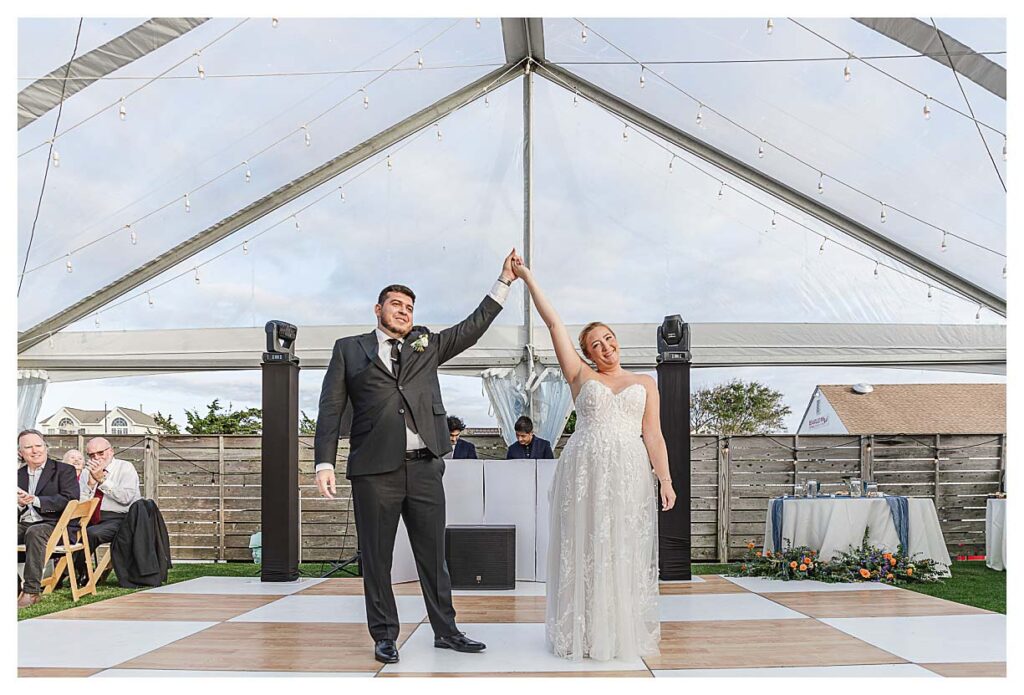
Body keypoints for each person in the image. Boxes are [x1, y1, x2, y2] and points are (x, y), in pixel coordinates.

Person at [314, 249, 522, 665]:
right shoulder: (349, 350)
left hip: (425, 466)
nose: (404, 312)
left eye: (409, 307)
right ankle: (385, 635)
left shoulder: (425, 345)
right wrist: (324, 462)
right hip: (374, 472)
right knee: (377, 559)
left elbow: (471, 329)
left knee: (433, 557)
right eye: (396, 304)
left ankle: (446, 631)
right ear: (378, 309)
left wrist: (504, 281)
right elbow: (331, 408)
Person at [511, 258, 676, 661]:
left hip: (628, 471)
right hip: (585, 469)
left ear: (617, 340)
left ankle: (616, 632)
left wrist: (666, 479)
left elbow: (652, 434)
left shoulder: (644, 383)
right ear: (586, 353)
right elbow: (553, 325)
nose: (605, 347)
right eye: (595, 345)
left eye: (608, 338)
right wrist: (527, 277)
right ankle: (581, 631)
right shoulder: (581, 377)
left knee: (621, 545)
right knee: (584, 546)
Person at [17, 430, 79, 608]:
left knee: (34, 532)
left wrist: (35, 500)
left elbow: (70, 500)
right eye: (28, 447)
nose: (35, 450)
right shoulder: (17, 475)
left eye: (38, 445)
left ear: (45, 447)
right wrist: (19, 504)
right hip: (24, 523)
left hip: (57, 526)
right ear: (20, 452)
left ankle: (31, 592)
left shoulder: (64, 470)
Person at [75, 437, 142, 582]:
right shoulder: (87, 472)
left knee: (90, 534)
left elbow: (126, 498)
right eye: (92, 455)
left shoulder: (125, 467)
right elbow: (80, 504)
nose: (96, 457)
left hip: (119, 518)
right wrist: (91, 485)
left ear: (111, 451)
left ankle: (77, 572)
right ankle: (79, 569)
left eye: (100, 453)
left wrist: (103, 481)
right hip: (89, 516)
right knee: (66, 531)